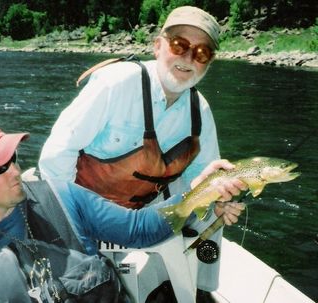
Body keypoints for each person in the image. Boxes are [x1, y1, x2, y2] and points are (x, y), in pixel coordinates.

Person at [39, 6, 244, 302]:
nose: (188, 59)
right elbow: (55, 158)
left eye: (201, 53)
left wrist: (219, 200)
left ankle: (197, 290)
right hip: (84, 209)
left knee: (212, 212)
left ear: (208, 63)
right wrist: (72, 231)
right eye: (180, 45)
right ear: (158, 45)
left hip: (145, 212)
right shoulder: (115, 83)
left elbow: (202, 179)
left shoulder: (201, 112)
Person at [0, 119, 244, 303]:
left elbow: (139, 229)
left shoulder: (61, 194)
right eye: (0, 167)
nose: (15, 171)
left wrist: (199, 192)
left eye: (14, 158)